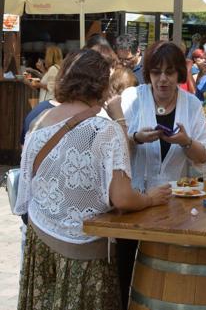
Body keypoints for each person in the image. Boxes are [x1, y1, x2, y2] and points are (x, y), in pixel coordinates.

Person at [14, 49, 171, 310]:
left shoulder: (40, 121)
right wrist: (150, 199)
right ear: (101, 85)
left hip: (39, 241)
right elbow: (122, 198)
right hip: (83, 251)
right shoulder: (104, 129)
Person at [117, 41, 206, 309]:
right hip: (134, 205)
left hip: (175, 208)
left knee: (169, 279)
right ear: (147, 73)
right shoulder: (132, 99)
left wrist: (185, 142)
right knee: (126, 275)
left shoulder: (192, 105)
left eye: (169, 72)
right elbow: (113, 147)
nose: (162, 79)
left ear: (179, 75)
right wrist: (135, 138)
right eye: (156, 72)